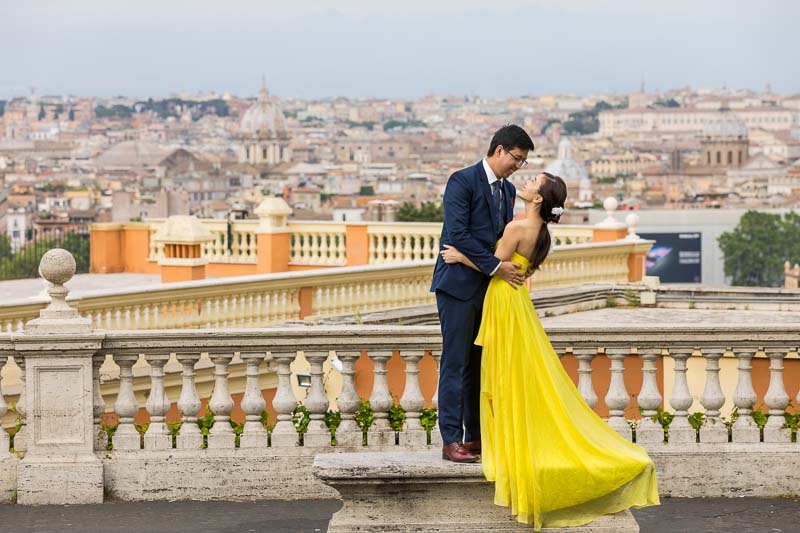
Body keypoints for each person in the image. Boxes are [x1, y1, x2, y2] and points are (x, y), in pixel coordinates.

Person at [440, 172, 660, 530]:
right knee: (517, 368)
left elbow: (494, 266)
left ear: (539, 199)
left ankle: (493, 436)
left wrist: (459, 257)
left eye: (533, 182)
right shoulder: (543, 234)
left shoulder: (516, 228)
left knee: (498, 369)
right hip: (519, 302)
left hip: (500, 302)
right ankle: (491, 434)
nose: (525, 182)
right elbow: (517, 270)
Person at [430, 124, 534, 463]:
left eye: (523, 162)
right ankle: (450, 440)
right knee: (456, 362)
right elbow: (457, 233)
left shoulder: (506, 190)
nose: (518, 166)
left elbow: (497, 239)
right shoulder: (462, 181)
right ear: (500, 150)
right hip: (457, 288)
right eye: (517, 159)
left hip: (486, 289)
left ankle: (474, 437)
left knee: (478, 364)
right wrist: (494, 266)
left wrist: (493, 266)